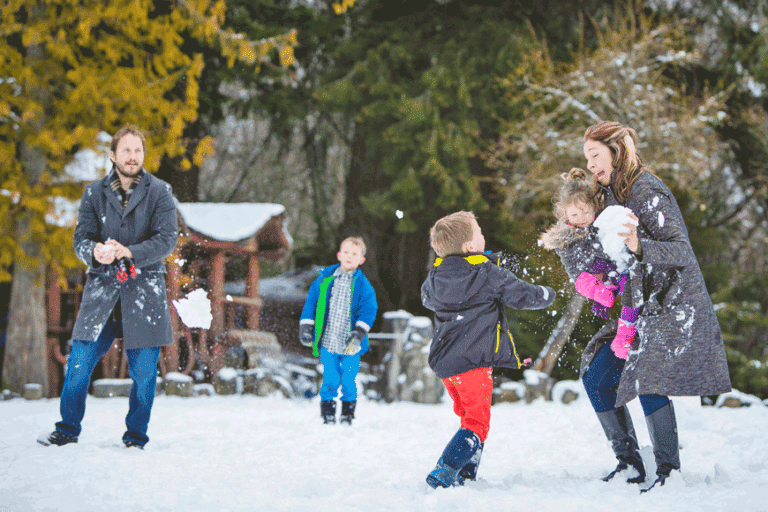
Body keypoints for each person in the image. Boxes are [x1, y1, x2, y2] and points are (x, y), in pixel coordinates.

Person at [555, 121, 730, 491]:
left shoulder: (646, 189)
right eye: (587, 157)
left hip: (670, 308)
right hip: (636, 308)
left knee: (648, 379)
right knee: (597, 379)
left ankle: (669, 472)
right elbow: (600, 244)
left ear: (616, 150)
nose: (590, 164)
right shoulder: (610, 194)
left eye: (595, 155)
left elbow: (681, 251)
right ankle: (629, 463)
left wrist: (638, 245)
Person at [38, 125, 178, 449]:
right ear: (113, 155)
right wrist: (95, 252)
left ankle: (136, 437)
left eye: (138, 150)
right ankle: (67, 430)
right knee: (78, 364)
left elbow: (167, 239)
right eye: (126, 150)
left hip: (144, 290)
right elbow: (81, 239)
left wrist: (130, 252)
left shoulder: (161, 191)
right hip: (102, 290)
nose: (133, 156)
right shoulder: (93, 192)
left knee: (145, 374)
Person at [421, 211, 556, 488]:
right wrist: (547, 294)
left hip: (446, 365)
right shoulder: (486, 272)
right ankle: (444, 471)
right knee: (477, 424)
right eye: (479, 232)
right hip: (473, 363)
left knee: (469, 420)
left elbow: (426, 299)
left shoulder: (435, 276)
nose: (483, 236)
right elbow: (522, 295)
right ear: (470, 246)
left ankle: (465, 475)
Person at [541, 168, 641, 367]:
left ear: (595, 206)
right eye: (575, 214)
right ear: (565, 213)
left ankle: (625, 335)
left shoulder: (603, 221)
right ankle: (604, 296)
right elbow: (575, 273)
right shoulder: (565, 238)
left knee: (632, 287)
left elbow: (614, 247)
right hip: (589, 277)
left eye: (587, 211)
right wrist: (596, 290)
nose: (583, 217)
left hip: (614, 269)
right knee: (585, 283)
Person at [299, 237, 377, 425]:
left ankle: (347, 415)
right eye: (346, 252)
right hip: (329, 340)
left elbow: (369, 309)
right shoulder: (324, 280)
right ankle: (327, 413)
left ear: (361, 260)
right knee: (331, 378)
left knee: (348, 379)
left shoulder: (363, 285)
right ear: (339, 255)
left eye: (354, 254)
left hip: (351, 344)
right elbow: (311, 303)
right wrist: (306, 327)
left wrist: (359, 332)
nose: (349, 256)